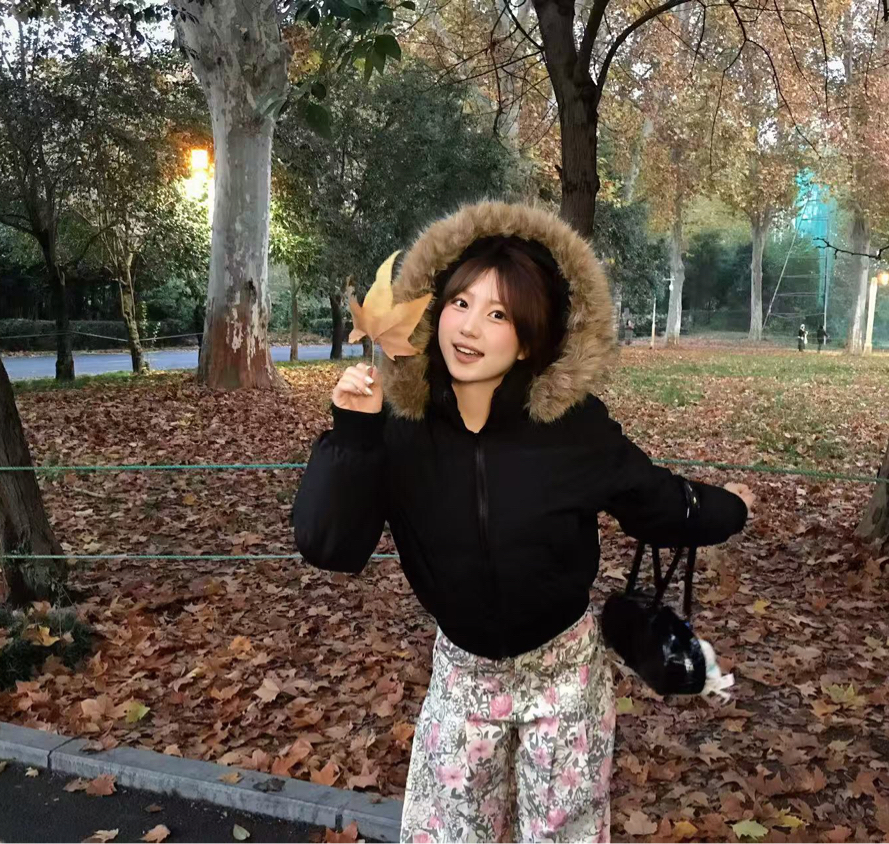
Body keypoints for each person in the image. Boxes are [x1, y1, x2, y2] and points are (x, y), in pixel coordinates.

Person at [292, 202, 752, 844]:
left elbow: (656, 500)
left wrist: (732, 506)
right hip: (462, 679)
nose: (469, 327)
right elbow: (331, 546)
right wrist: (353, 434)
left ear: (530, 338)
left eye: (498, 314)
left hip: (563, 678)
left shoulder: (573, 431)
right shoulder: (401, 430)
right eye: (460, 303)